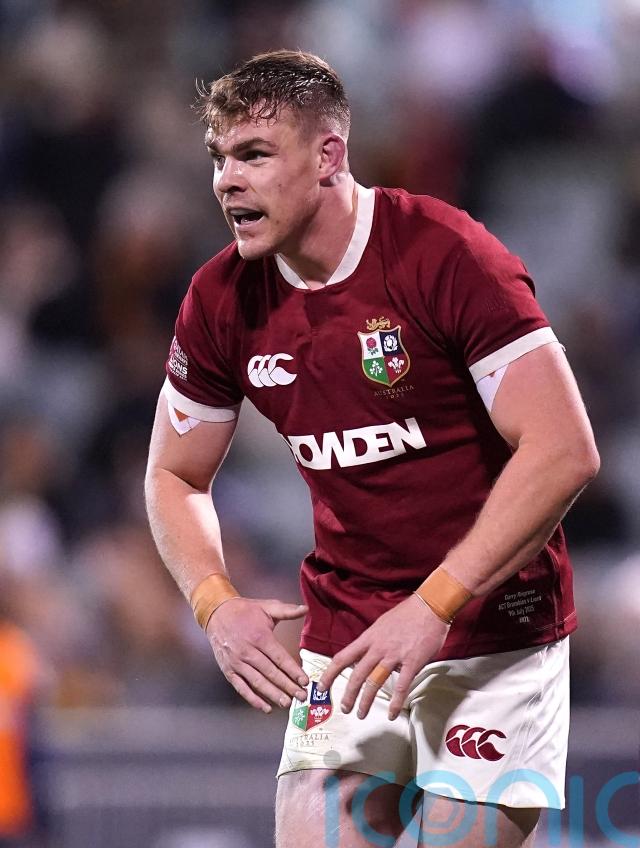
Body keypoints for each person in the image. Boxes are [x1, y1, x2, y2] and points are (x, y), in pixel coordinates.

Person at [145, 49, 600, 848]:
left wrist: (432, 606)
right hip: (349, 637)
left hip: (493, 633)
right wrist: (216, 604)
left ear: (328, 156)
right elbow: (173, 474)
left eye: (254, 155)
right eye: (220, 159)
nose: (227, 182)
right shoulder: (220, 299)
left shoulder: (446, 256)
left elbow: (564, 449)